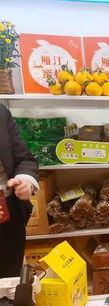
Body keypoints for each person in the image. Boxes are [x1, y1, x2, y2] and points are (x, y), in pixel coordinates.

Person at [0, 104, 39, 278]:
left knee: (10, 283)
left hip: (9, 218)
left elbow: (24, 158)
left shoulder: (1, 112)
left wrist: (25, 181)